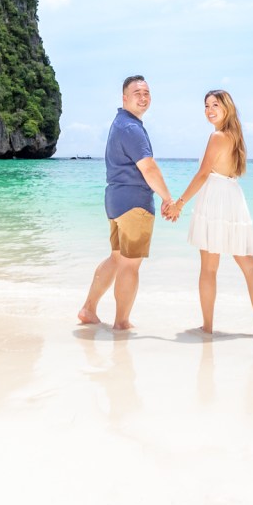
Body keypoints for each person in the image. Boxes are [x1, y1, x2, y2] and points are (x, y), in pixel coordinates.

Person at [164, 89, 253, 336]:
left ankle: (208, 327)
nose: (209, 110)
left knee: (209, 268)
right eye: (206, 106)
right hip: (232, 196)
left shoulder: (218, 137)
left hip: (216, 199)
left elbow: (202, 174)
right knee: (249, 265)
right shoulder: (235, 135)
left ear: (227, 108)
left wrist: (179, 203)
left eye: (215, 105)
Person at [78, 75, 175, 331]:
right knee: (130, 264)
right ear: (124, 97)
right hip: (134, 203)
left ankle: (88, 309)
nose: (143, 97)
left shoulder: (120, 123)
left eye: (146, 93)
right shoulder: (131, 128)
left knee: (117, 258)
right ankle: (121, 322)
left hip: (115, 200)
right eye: (137, 93)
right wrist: (168, 198)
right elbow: (149, 168)